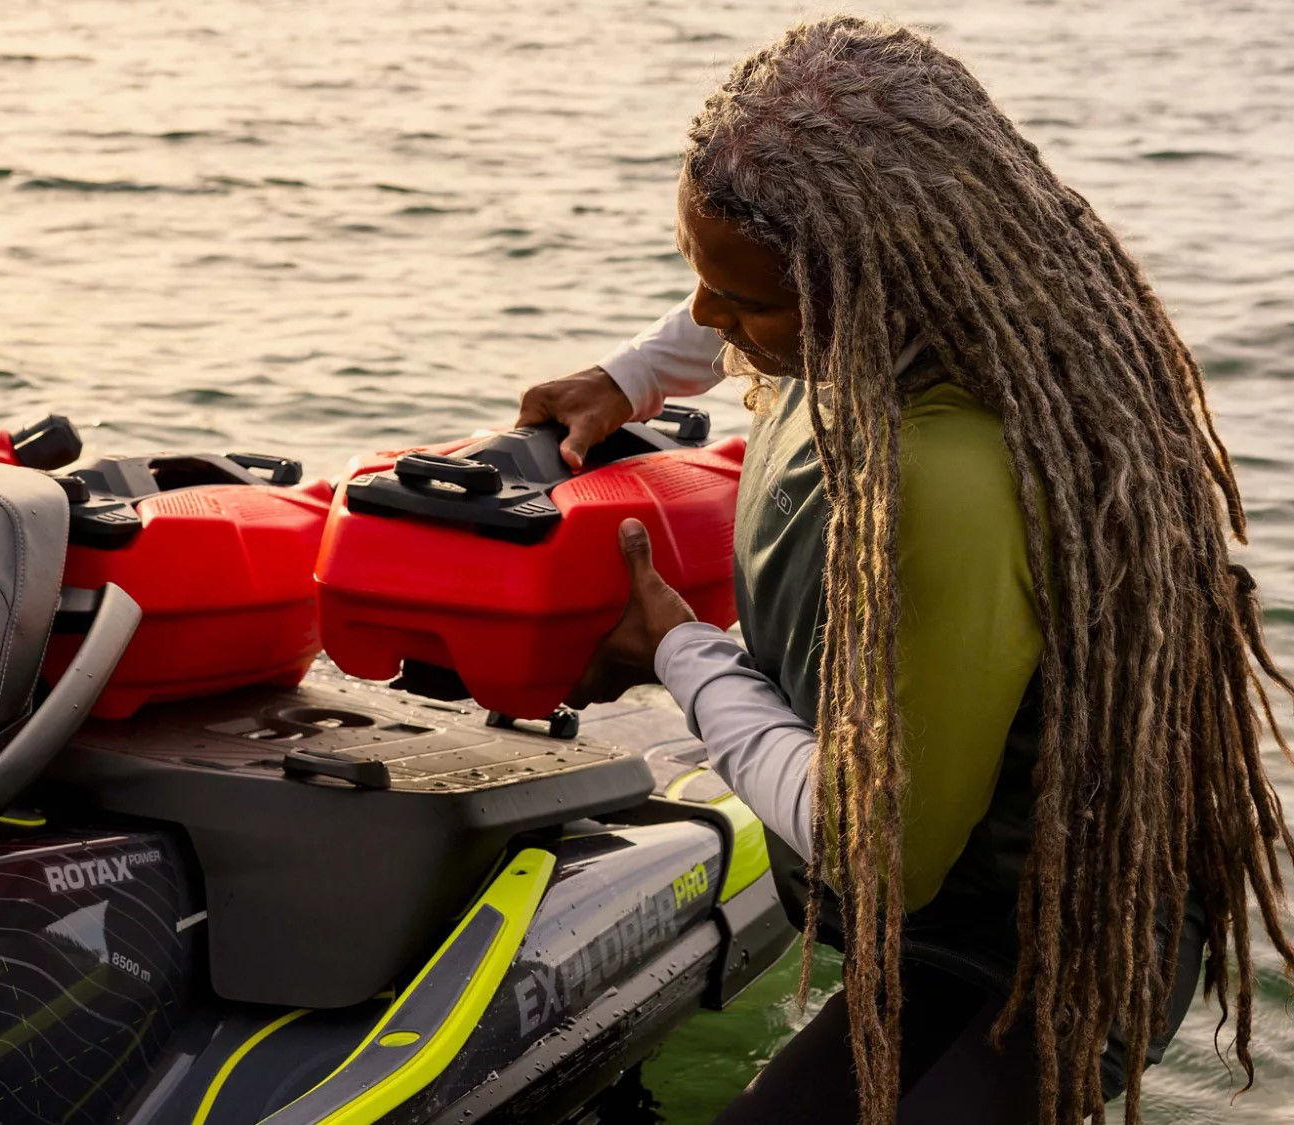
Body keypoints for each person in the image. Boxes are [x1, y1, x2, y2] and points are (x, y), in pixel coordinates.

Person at [518, 16, 1294, 1125]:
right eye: (700, 282)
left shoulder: (948, 467)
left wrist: (680, 653)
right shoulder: (919, 307)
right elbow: (739, 293)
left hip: (1052, 946)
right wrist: (631, 374)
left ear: (872, 277)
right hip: (954, 910)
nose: (707, 319)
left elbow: (870, 846)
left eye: (740, 304)